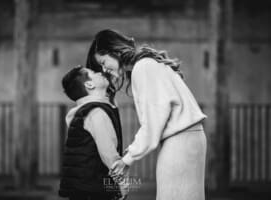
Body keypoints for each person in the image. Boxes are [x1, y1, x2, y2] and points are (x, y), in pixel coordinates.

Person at [86, 29, 207, 200]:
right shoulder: (147, 64)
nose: (105, 69)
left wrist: (127, 159)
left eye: (104, 62)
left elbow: (152, 124)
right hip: (188, 140)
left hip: (180, 142)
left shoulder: (142, 68)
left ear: (115, 51)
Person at [58, 66, 128, 200]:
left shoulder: (84, 112)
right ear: (89, 84)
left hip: (83, 189)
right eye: (94, 73)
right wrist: (122, 183)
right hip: (95, 191)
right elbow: (109, 154)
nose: (100, 73)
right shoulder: (96, 113)